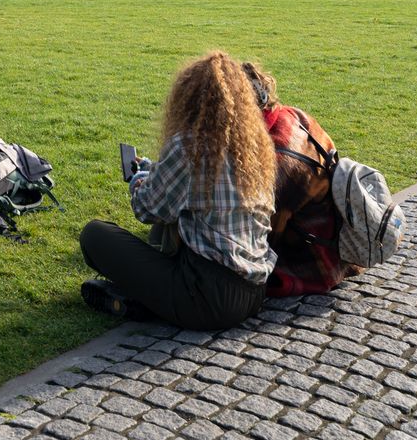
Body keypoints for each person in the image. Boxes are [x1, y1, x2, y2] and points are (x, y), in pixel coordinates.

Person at [79, 52, 276, 330]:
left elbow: (147, 208)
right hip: (254, 291)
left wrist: (137, 180)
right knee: (168, 226)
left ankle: (145, 301)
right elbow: (189, 184)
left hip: (206, 297)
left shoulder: (188, 146)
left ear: (188, 98)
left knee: (95, 235)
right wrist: (153, 169)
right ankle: (149, 299)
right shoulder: (256, 148)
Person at [241, 62, 361, 297]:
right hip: (334, 246)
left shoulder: (278, 161)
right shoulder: (293, 116)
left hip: (310, 265)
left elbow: (263, 236)